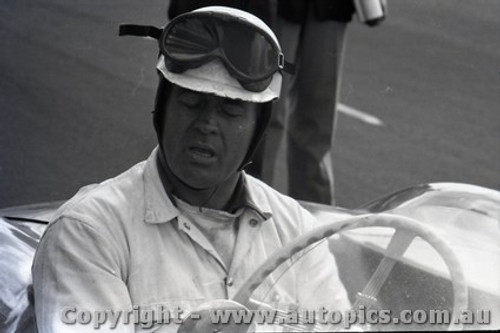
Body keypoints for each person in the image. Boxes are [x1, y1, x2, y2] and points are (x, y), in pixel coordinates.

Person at [32, 6, 350, 333]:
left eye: (230, 110)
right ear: (163, 107)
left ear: (258, 127)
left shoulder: (297, 232)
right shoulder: (90, 231)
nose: (207, 124)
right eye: (191, 101)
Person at [169, 0, 386, 205]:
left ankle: (315, 222)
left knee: (318, 118)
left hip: (329, 9)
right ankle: (250, 206)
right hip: (278, 8)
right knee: (268, 114)